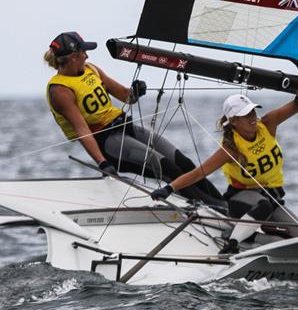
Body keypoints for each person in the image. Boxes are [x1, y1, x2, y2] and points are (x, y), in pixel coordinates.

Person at [44, 31, 222, 204]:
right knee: (168, 169)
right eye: (84, 52)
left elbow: (125, 96)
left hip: (126, 127)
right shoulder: (60, 90)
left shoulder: (91, 69)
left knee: (184, 162)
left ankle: (224, 205)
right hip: (107, 142)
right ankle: (212, 208)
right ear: (74, 57)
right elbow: (82, 130)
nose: (87, 56)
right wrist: (102, 163)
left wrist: (136, 91)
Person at [150, 93, 298, 253]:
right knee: (266, 212)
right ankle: (232, 241)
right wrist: (169, 189)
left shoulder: (268, 124)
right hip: (241, 201)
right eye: (245, 115)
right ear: (233, 121)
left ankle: (249, 234)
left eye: (253, 111)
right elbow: (198, 173)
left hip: (271, 197)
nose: (252, 117)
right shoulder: (230, 149)